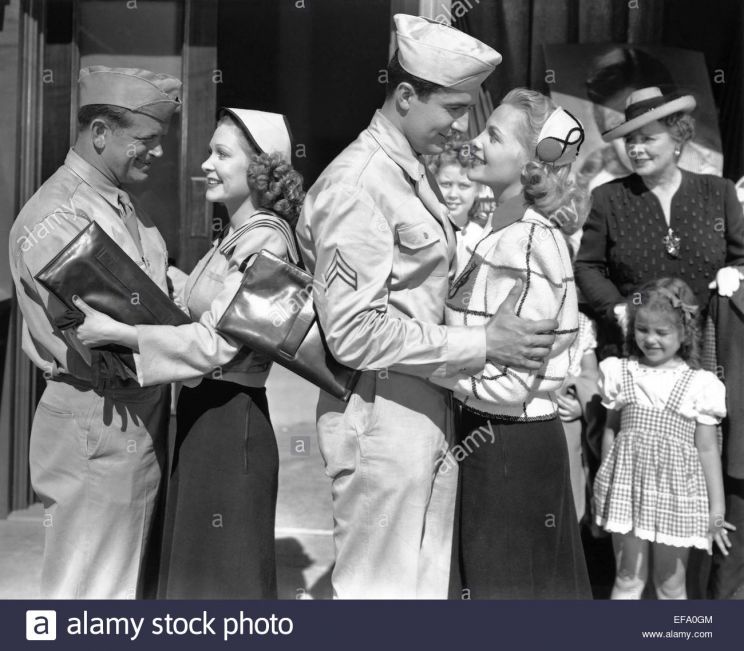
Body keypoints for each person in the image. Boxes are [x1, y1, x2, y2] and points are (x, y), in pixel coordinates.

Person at [296, 15, 560, 599]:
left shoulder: (408, 171)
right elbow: (354, 332)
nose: (462, 126)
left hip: (423, 414)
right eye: (454, 108)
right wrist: (481, 343)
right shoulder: (358, 185)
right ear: (405, 96)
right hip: (379, 420)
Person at [75, 108, 302, 598]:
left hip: (231, 422)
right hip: (203, 413)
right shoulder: (237, 236)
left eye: (222, 154)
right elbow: (198, 308)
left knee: (222, 582)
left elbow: (218, 343)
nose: (206, 164)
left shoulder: (268, 243)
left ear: (260, 169)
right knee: (193, 576)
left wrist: (123, 332)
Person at [8, 66, 181, 598]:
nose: (157, 152)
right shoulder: (57, 216)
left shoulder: (120, 202)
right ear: (101, 132)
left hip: (130, 412)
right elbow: (118, 332)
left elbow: (157, 293)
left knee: (122, 582)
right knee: (91, 591)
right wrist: (205, 342)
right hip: (99, 412)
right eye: (146, 139)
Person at [432, 89, 591, 599]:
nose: (475, 141)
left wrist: (424, 365)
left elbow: (511, 381)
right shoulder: (499, 231)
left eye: (494, 136)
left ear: (530, 164)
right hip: (491, 439)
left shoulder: (529, 241)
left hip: (508, 447)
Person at [575, 86, 744, 361]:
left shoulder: (719, 192)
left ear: (677, 137)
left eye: (647, 139)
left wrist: (736, 272)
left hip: (708, 353)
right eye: (631, 140)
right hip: (635, 348)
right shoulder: (608, 198)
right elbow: (587, 266)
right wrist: (617, 308)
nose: (636, 149)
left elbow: (741, 258)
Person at [594, 278, 733, 599]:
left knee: (670, 585)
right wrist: (604, 484)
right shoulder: (620, 373)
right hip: (627, 493)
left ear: (684, 333)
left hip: (676, 497)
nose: (650, 339)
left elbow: (707, 449)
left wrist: (717, 509)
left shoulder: (699, 385)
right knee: (628, 579)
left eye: (662, 332)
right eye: (642, 329)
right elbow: (612, 431)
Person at [429, 146, 488, 262]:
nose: (453, 194)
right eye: (446, 184)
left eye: (463, 186)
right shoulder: (423, 230)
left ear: (479, 189)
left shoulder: (481, 239)